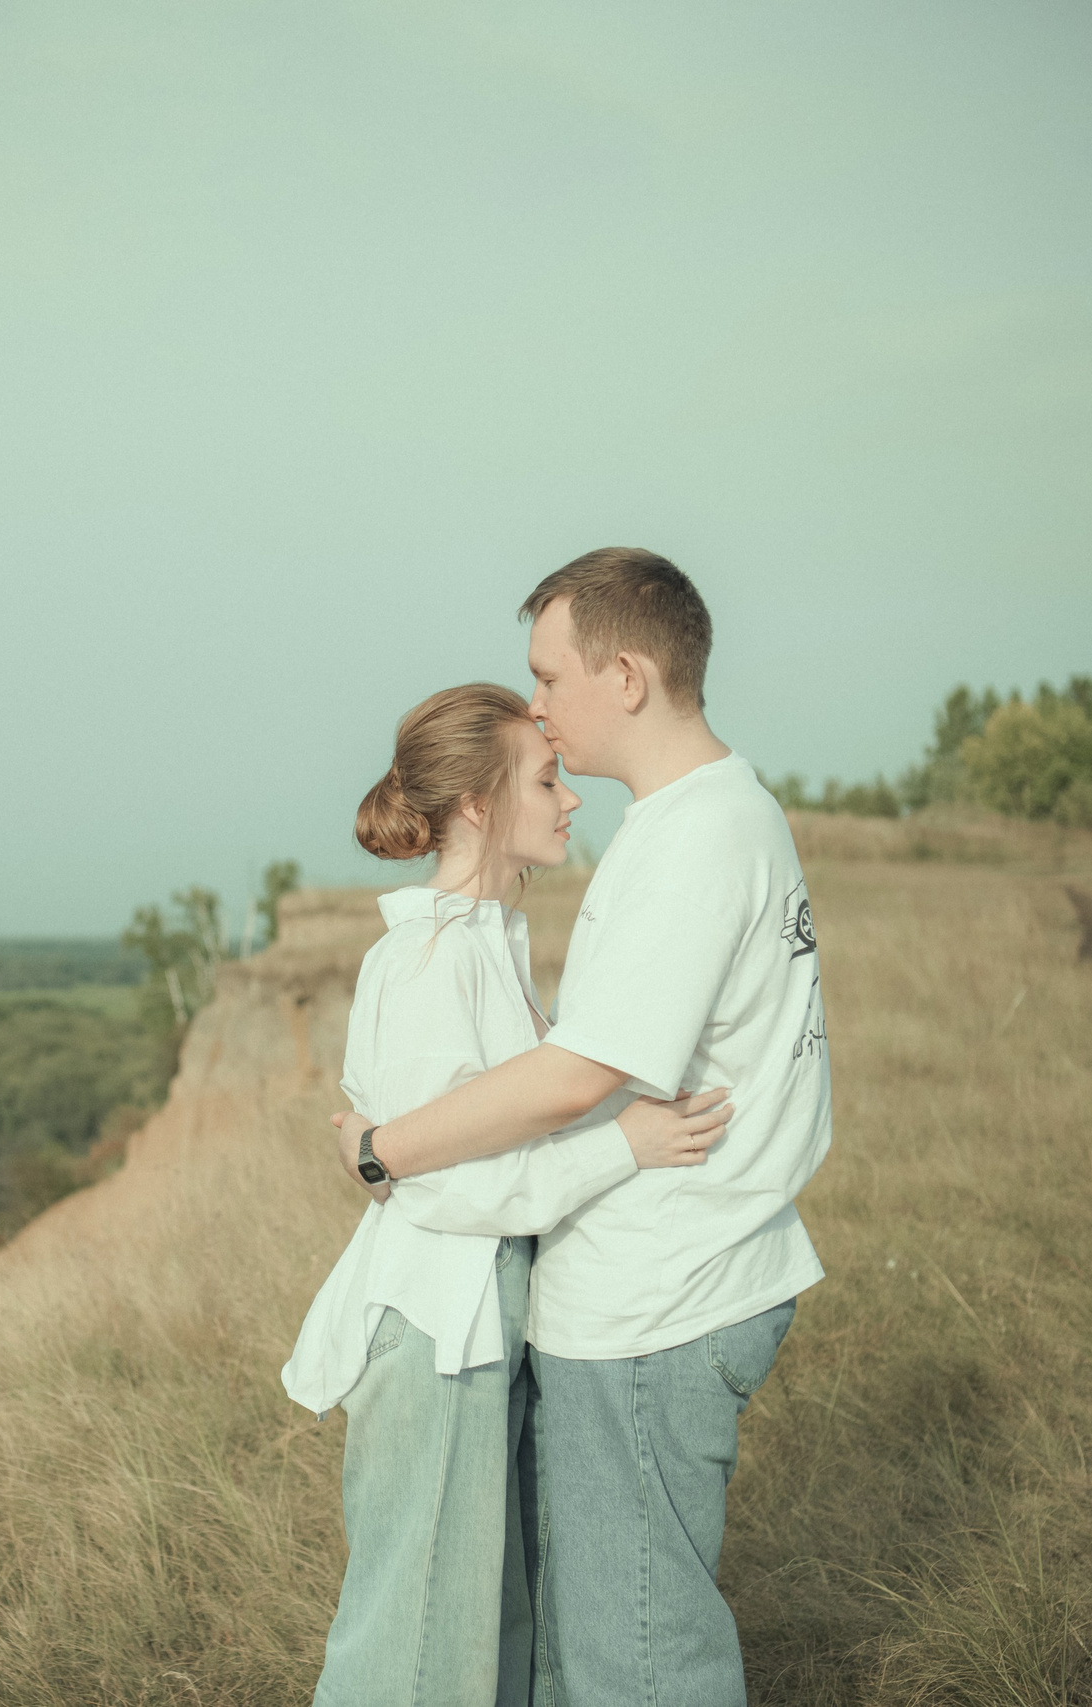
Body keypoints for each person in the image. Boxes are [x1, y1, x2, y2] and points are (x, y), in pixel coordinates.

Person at [332, 548, 832, 1707]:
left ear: (624, 674)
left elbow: (575, 1078)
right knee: (584, 1649)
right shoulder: (704, 819)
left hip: (655, 1301)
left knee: (634, 1665)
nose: (541, 709)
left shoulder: (693, 840)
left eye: (548, 676)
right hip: (642, 1290)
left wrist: (382, 1148)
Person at [284, 681, 735, 1707]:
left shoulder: (489, 946)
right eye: (546, 778)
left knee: (477, 1637)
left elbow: (489, 1135)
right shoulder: (433, 960)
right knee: (412, 1646)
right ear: (480, 806)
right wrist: (623, 1145)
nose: (571, 797)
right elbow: (442, 1191)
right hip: (438, 1333)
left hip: (480, 1326)